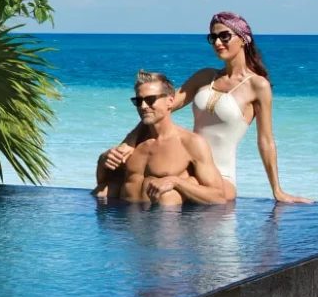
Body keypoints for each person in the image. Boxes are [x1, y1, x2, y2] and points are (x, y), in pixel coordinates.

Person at [143, 11, 310, 204]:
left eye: (224, 36)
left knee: (166, 197)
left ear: (243, 39)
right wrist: (127, 144)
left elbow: (265, 140)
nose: (217, 42)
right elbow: (161, 109)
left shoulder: (257, 86)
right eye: (212, 37)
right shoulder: (205, 76)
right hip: (187, 168)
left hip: (221, 176)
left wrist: (277, 191)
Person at [95, 70, 231, 206]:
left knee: (167, 197)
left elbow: (218, 197)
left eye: (150, 99)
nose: (143, 106)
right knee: (100, 192)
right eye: (138, 101)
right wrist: (102, 161)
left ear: (170, 101)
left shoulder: (190, 143)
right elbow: (105, 183)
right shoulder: (132, 143)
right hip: (124, 219)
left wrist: (176, 181)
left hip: (164, 221)